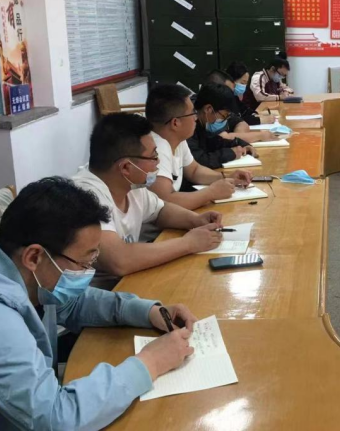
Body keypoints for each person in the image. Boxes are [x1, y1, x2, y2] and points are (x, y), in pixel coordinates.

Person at [0, 177, 197, 431]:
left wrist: (147, 311)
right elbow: (56, 421)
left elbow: (74, 303)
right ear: (34, 256)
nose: (88, 270)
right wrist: (151, 362)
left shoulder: (9, 264)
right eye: (84, 262)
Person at [73, 113, 228, 286]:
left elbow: (160, 210)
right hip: (95, 294)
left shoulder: (130, 185)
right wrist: (188, 243)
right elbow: (119, 260)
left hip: (127, 282)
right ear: (126, 167)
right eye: (153, 157)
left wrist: (195, 220)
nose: (158, 162)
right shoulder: (84, 196)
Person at [146, 84, 254, 211]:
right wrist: (211, 193)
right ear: (175, 123)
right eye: (192, 113)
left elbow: (194, 170)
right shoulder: (156, 149)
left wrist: (227, 177)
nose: (196, 117)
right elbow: (165, 202)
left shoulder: (177, 140)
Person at [190, 82, 262, 169]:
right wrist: (231, 153)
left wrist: (242, 144)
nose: (224, 120)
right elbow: (198, 161)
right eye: (224, 116)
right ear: (208, 109)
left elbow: (216, 142)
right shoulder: (189, 125)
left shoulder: (204, 123)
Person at [205, 67, 275, 143]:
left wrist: (237, 138)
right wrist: (260, 135)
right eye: (228, 91)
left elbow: (240, 122)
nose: (231, 95)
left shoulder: (224, 106)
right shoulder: (198, 118)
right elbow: (221, 138)